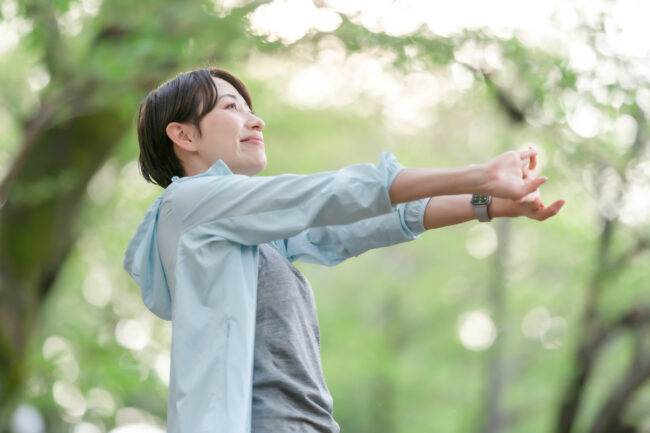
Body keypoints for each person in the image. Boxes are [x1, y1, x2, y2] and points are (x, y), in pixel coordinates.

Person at [123, 67, 564, 433]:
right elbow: (330, 194)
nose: (256, 121)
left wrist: (488, 203)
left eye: (250, 109)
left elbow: (358, 223)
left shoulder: (250, 234)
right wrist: (481, 175)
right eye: (231, 107)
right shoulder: (189, 205)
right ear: (184, 135)